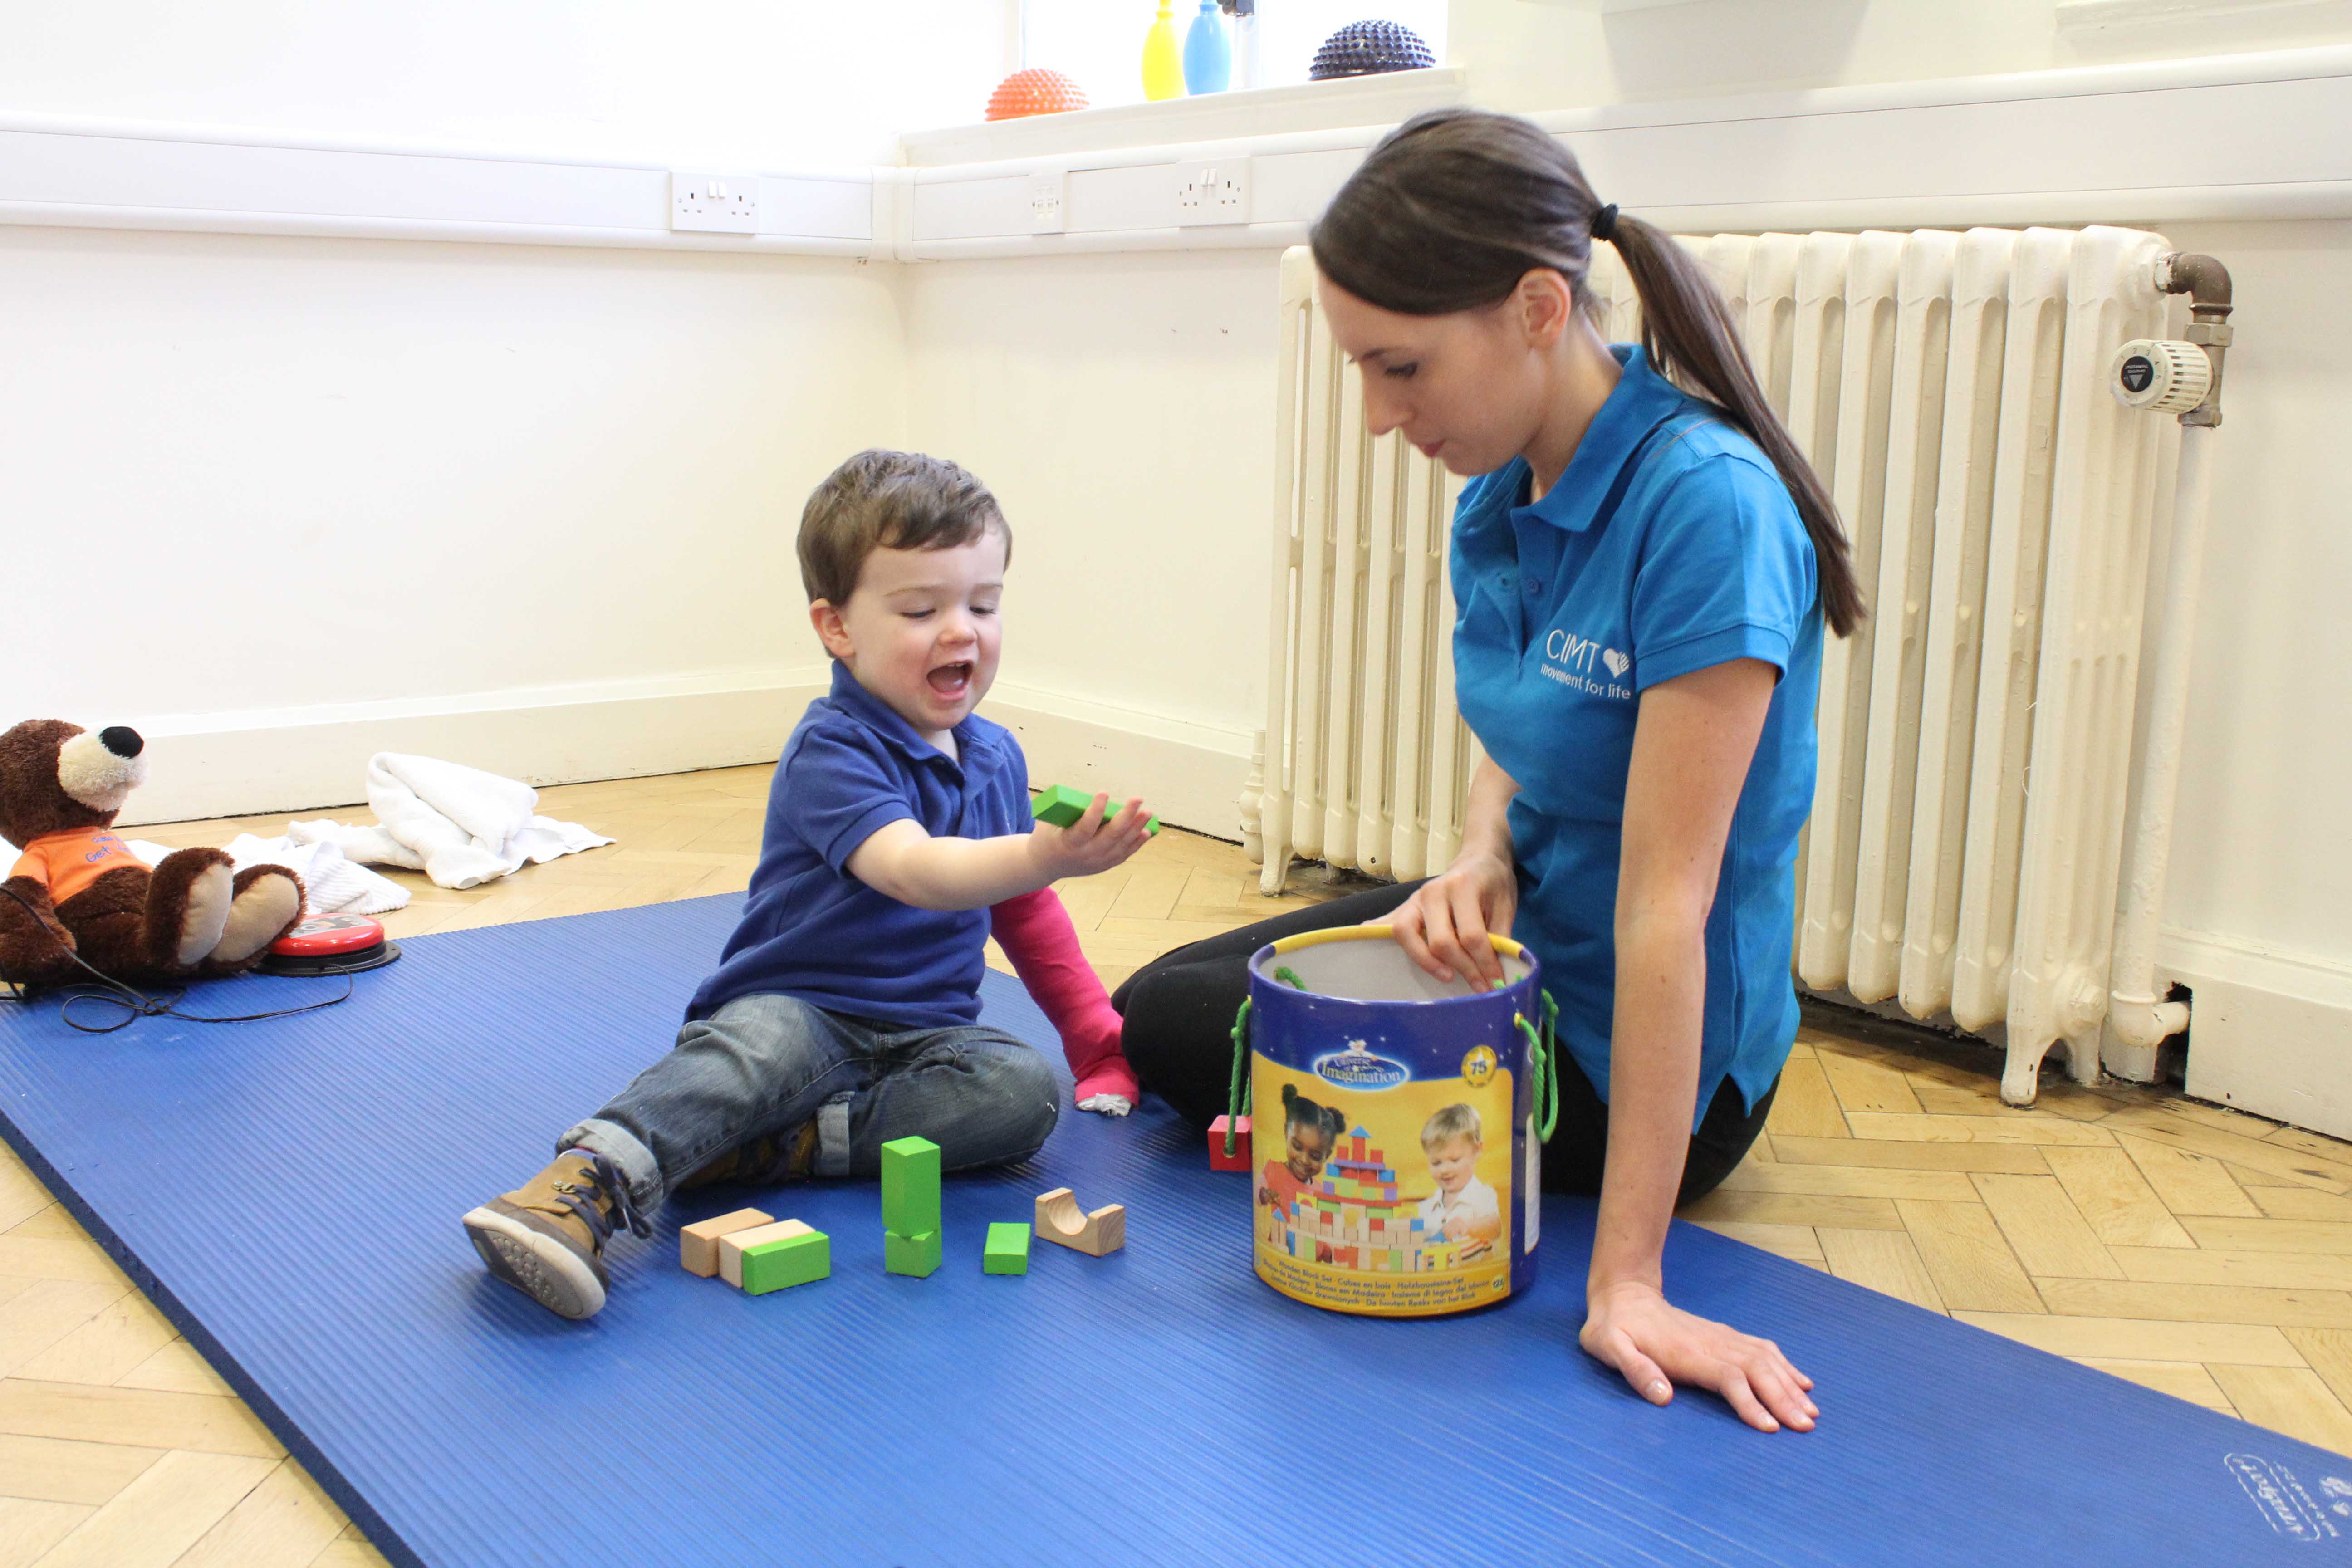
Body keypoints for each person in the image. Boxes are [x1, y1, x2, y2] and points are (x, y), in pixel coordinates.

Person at [1118, 108, 1867, 1435]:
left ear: (1536, 308)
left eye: (1398, 368)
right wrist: (1482, 861)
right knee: (1164, 1004)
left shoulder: (1708, 508)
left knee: (1202, 1038)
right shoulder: (1500, 494)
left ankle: (1593, 1182)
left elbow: (1668, 908)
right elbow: (1520, 735)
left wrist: (1628, 1282)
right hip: (1527, 943)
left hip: (1653, 1053)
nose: (1374, 418)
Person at [463, 449, 1156, 1320]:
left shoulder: (996, 755)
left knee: (1020, 1093)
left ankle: (771, 1147)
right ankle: (584, 1183)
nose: (962, 631)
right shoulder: (832, 749)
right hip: (797, 1010)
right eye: (919, 609)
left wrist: (1095, 1037)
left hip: (924, 1038)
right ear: (836, 628)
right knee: (757, 1058)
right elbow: (911, 870)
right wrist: (1044, 852)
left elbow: (1021, 909)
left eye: (983, 604)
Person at [1416, 1103, 1500, 1259]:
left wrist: (1468, 1226)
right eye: (1436, 1163)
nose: (1445, 1170)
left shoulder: (1483, 1195)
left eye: (1454, 1160)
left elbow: (1495, 1227)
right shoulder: (1429, 1205)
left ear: (1477, 1150)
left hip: (1473, 1275)